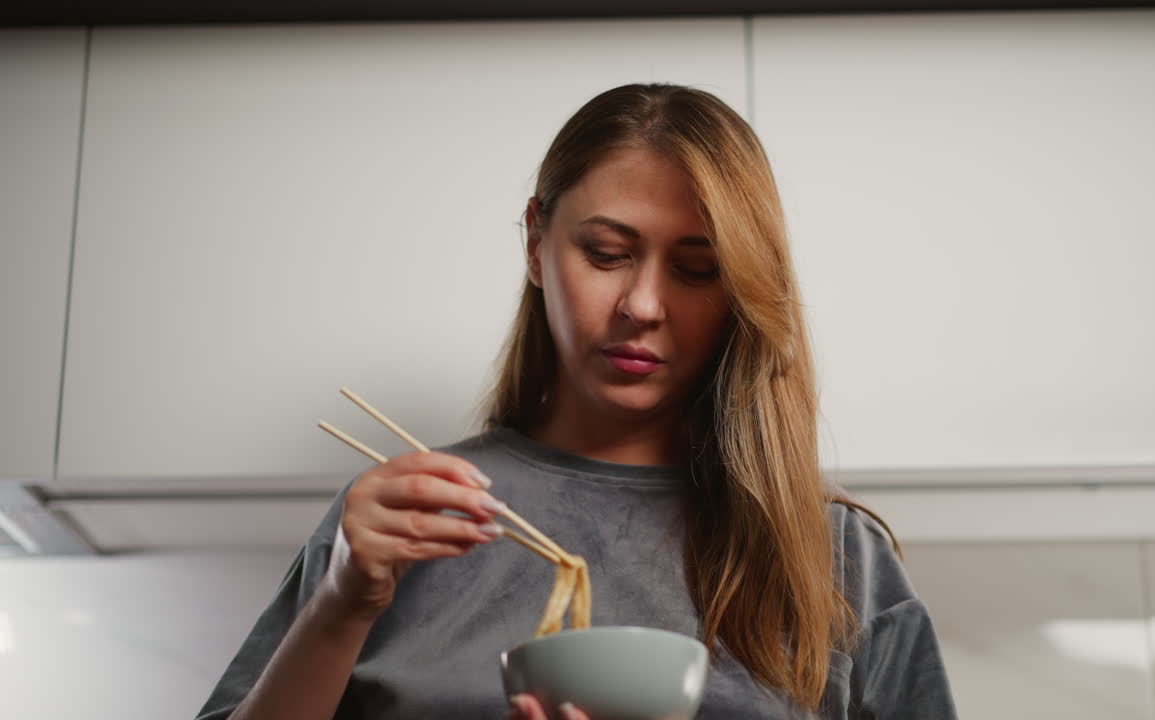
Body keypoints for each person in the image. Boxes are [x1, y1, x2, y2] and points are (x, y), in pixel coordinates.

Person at [196, 83, 958, 720]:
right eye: (606, 254)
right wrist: (341, 604)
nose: (643, 304)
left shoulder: (835, 557)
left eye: (696, 269)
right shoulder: (406, 520)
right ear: (535, 242)